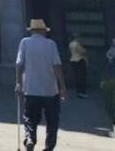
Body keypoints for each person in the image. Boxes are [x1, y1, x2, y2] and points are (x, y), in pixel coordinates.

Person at [16, 19, 67, 151]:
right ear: (43, 30)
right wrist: (62, 87)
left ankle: (30, 138)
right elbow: (57, 66)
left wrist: (18, 83)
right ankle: (49, 147)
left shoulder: (25, 43)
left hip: (31, 88)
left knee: (30, 118)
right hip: (50, 90)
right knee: (52, 121)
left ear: (32, 30)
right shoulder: (50, 44)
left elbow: (19, 64)